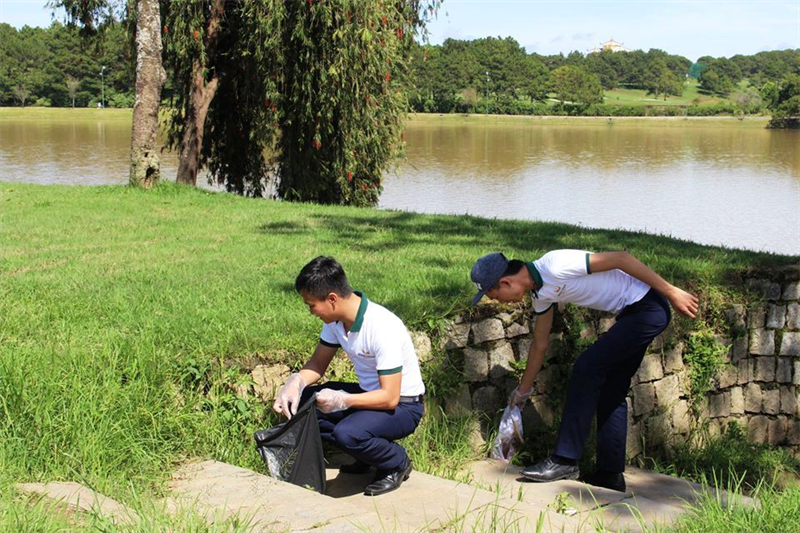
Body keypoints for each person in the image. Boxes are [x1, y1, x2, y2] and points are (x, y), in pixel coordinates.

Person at [470, 250, 697, 492]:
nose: (499, 302)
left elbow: (622, 258)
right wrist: (522, 392)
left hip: (647, 308)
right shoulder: (541, 293)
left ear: (506, 282)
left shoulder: (556, 265)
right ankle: (610, 476)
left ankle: (565, 459)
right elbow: (540, 344)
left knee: (586, 368)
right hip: (635, 313)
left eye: (495, 296)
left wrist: (672, 291)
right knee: (612, 389)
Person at [273, 256, 426, 496]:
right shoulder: (335, 321)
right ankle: (365, 455)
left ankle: (396, 462)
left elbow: (390, 398)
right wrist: (296, 382)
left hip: (404, 406)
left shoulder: (381, 327)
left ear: (332, 299)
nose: (311, 311)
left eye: (311, 305)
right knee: (304, 404)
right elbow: (317, 363)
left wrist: (342, 400)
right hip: (371, 397)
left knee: (347, 433)